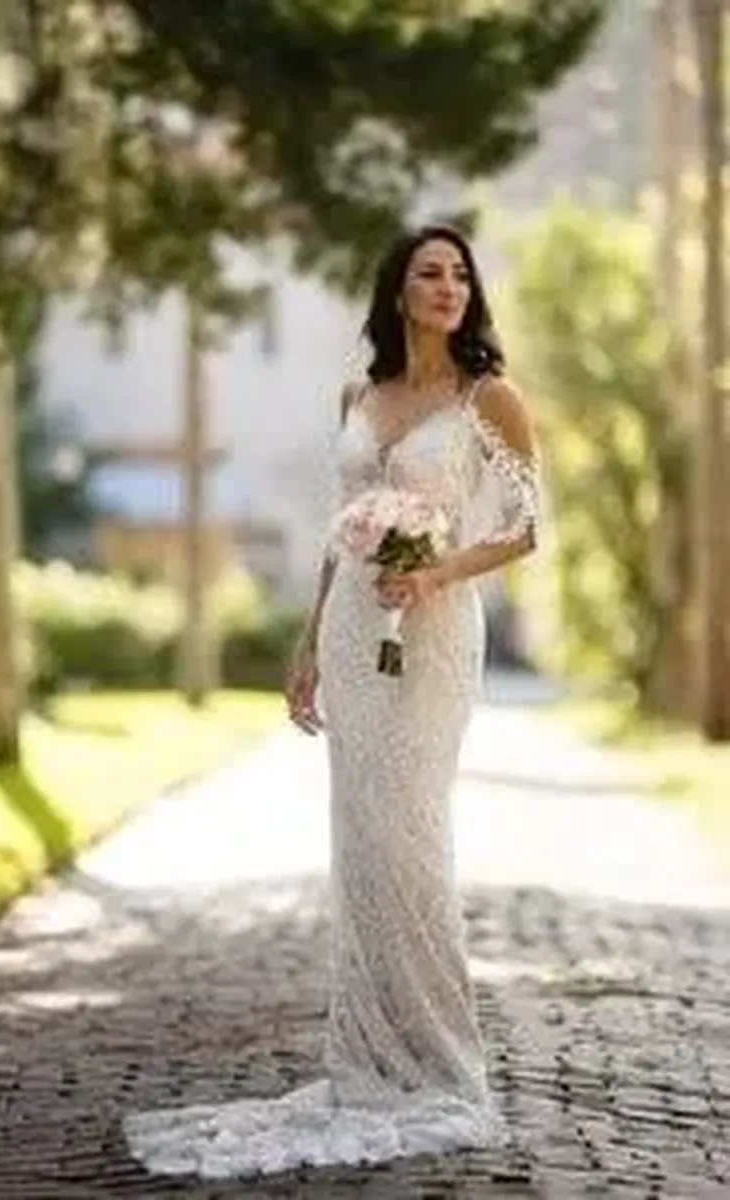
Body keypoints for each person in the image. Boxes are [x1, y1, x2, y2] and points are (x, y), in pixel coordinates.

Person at [123, 224, 541, 1179]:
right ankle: (370, 1055)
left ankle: (438, 1059)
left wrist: (437, 573)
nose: (449, 287)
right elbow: (337, 531)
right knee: (360, 842)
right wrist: (310, 641)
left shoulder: (490, 398)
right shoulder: (358, 394)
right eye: (430, 273)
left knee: (411, 834)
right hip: (355, 629)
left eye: (461, 275)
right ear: (397, 292)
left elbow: (525, 529)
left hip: (434, 632)